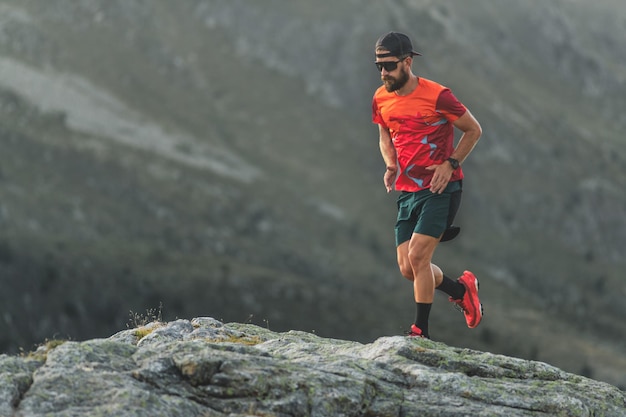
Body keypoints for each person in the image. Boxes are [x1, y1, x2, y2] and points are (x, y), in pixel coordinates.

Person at [371, 32, 483, 338]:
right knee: (409, 268)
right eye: (379, 65)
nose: (384, 72)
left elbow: (473, 130)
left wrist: (451, 164)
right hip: (407, 192)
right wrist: (391, 163)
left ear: (407, 62)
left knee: (419, 257)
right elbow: (384, 133)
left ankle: (420, 332)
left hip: (440, 188)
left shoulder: (437, 96)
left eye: (390, 65)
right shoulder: (380, 98)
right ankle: (461, 289)